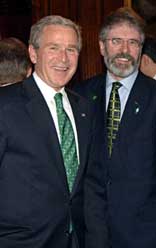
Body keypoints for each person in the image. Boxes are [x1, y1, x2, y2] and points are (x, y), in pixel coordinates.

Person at [75, 7, 156, 248]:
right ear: (102, 46)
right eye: (116, 41)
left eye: (133, 42)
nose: (124, 50)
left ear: (141, 48)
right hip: (92, 236)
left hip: (146, 237)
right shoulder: (80, 96)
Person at [0, 15, 93, 248]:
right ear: (33, 53)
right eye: (54, 48)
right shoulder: (6, 105)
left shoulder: (84, 109)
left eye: (71, 49)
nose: (63, 58)